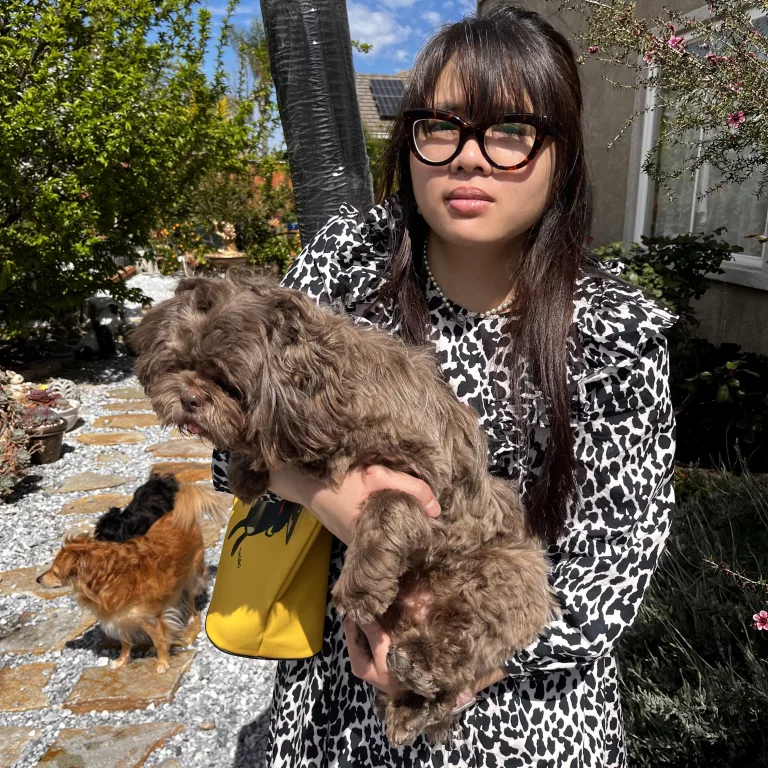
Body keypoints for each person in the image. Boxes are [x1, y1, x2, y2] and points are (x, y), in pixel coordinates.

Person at [211, 5, 677, 766]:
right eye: (442, 126)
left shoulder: (613, 329)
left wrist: (455, 650)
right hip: (338, 693)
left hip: (521, 702)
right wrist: (343, 510)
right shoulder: (345, 270)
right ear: (410, 140)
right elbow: (229, 441)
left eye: (510, 132)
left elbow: (618, 559)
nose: (470, 158)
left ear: (561, 154)